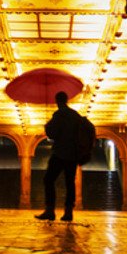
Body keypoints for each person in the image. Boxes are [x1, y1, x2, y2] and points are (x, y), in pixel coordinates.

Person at [37, 91, 82, 222]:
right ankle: (68, 212)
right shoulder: (75, 115)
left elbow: (53, 134)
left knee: (49, 179)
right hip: (73, 154)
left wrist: (47, 127)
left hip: (61, 152)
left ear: (57, 101)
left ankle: (50, 210)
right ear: (67, 100)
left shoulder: (59, 114)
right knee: (70, 183)